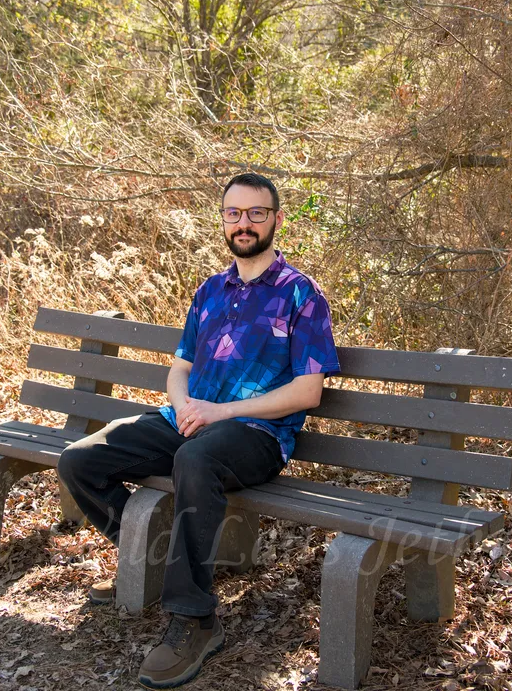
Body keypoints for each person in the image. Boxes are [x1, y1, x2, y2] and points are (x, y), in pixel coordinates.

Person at [56, 172, 340, 689]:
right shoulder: (210, 290)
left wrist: (219, 413)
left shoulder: (301, 293)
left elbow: (307, 391)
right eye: (234, 213)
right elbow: (180, 368)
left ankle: (195, 619)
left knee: (196, 459)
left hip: (255, 435)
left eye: (256, 213)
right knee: (80, 459)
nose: (244, 223)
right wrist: (184, 405)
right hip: (189, 421)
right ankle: (157, 560)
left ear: (276, 219)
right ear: (223, 220)